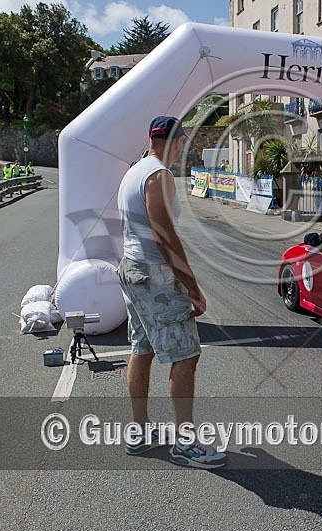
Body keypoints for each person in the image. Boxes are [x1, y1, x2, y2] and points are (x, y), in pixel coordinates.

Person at [116, 115, 226, 469]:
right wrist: (192, 287)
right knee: (186, 356)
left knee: (141, 347)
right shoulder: (159, 175)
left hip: (132, 268)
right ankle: (186, 443)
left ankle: (140, 431)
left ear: (151, 139)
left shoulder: (134, 171)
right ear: (178, 143)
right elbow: (164, 237)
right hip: (154, 275)